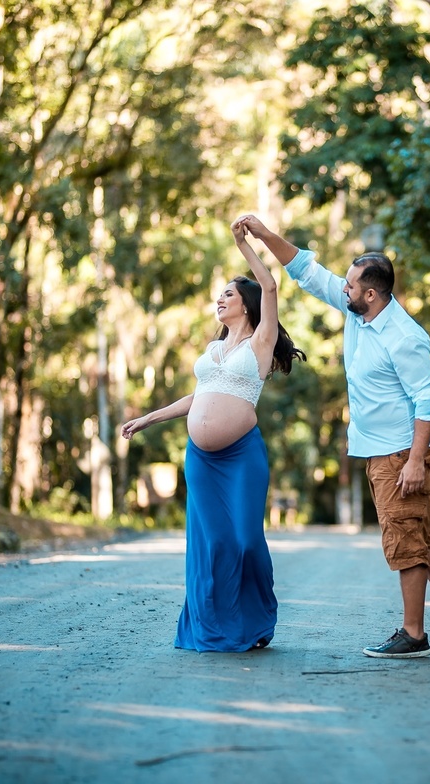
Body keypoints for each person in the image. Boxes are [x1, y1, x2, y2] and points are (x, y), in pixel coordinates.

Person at [234, 213, 430, 659]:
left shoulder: (404, 336)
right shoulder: (358, 316)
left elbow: (428, 400)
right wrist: (264, 234)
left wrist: (416, 461)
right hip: (382, 451)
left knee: (404, 542)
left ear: (371, 293)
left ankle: (414, 634)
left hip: (403, 453)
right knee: (419, 535)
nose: (342, 289)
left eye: (350, 286)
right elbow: (306, 271)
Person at [121, 220, 305, 652]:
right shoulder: (213, 350)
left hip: (241, 457)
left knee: (243, 541)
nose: (219, 300)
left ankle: (255, 619)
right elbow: (199, 397)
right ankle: (215, 627)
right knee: (213, 544)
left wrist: (246, 244)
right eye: (219, 294)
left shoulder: (261, 342)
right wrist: (149, 418)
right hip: (201, 460)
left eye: (228, 294)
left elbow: (272, 287)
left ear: (246, 305)